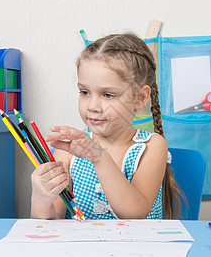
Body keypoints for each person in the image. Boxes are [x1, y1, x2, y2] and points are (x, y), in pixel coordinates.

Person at [30, 33, 183, 220]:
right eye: (85, 92)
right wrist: (41, 197)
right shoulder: (69, 153)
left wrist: (99, 158)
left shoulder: (152, 146)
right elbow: (48, 226)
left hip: (139, 247)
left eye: (108, 95)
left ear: (140, 98)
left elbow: (134, 214)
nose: (93, 106)